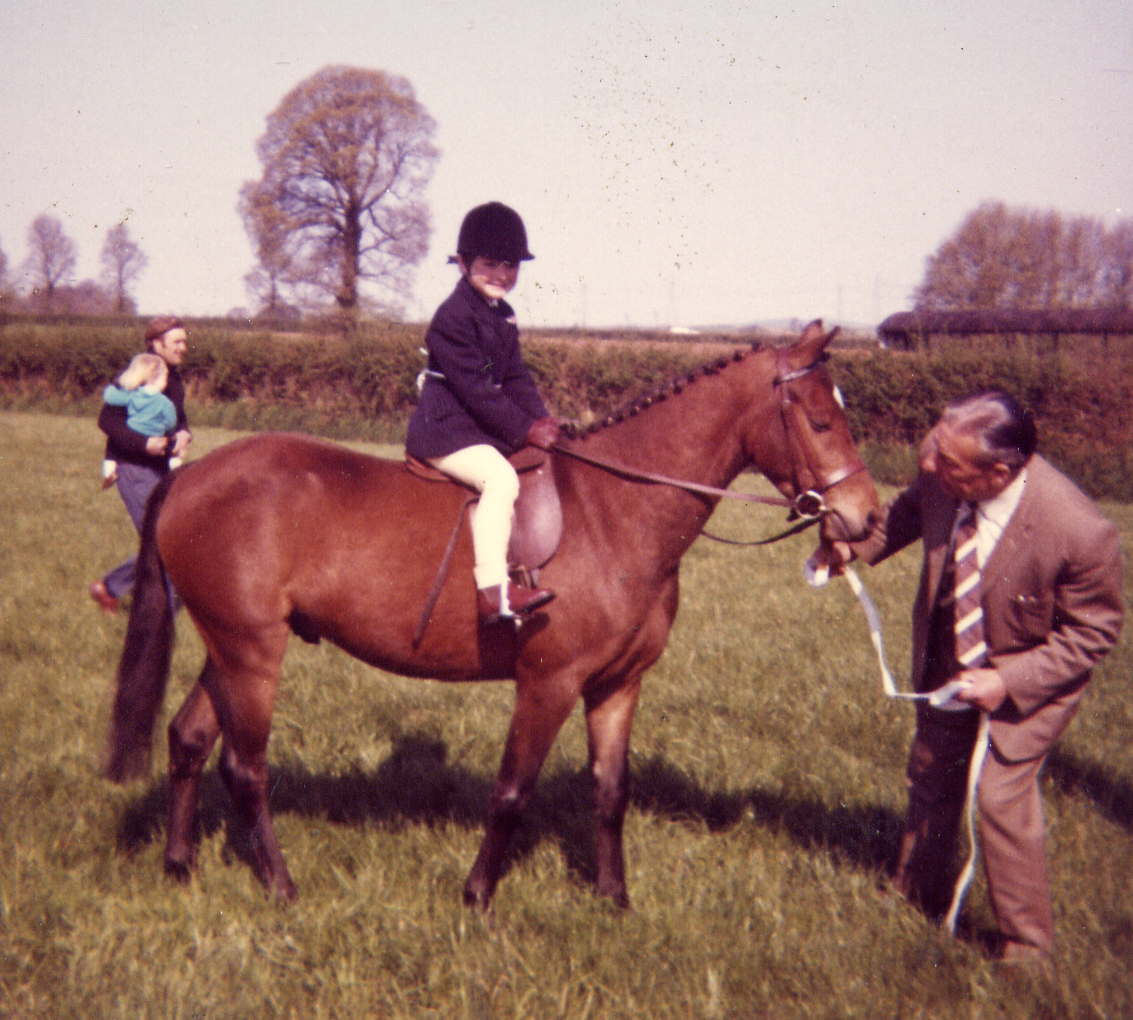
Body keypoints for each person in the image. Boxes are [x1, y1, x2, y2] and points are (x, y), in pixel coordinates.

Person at [818, 391, 1123, 966]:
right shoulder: (941, 471)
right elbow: (907, 514)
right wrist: (850, 551)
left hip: (1032, 678)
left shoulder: (1081, 531)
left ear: (999, 473)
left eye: (948, 463)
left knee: (999, 795)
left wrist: (1007, 680)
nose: (930, 465)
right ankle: (916, 893)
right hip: (946, 657)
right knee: (932, 772)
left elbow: (1093, 634)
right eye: (934, 450)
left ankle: (1025, 947)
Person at [406, 201, 558, 623]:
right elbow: (476, 392)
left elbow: (515, 378)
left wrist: (542, 420)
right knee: (501, 479)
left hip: (476, 430)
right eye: (491, 264)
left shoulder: (503, 316)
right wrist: (525, 429)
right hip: (445, 432)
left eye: (511, 266)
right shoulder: (452, 318)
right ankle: (494, 591)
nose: (502, 275)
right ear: (462, 263)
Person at [89, 316, 192, 614]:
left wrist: (184, 433)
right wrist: (143, 444)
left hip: (160, 469)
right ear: (157, 344)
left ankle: (110, 588)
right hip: (132, 469)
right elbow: (107, 420)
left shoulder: (173, 378)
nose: (184, 347)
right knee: (164, 541)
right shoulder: (139, 373)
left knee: (166, 540)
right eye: (177, 342)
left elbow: (177, 418)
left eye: (184, 341)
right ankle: (159, 616)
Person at [100, 352, 180, 488]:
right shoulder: (164, 402)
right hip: (152, 439)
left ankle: (109, 470)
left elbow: (111, 397)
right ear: (157, 378)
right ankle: (174, 463)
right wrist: (170, 430)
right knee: (170, 445)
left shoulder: (132, 395)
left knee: (112, 450)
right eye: (165, 378)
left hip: (131, 434)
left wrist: (114, 389)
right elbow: (171, 422)